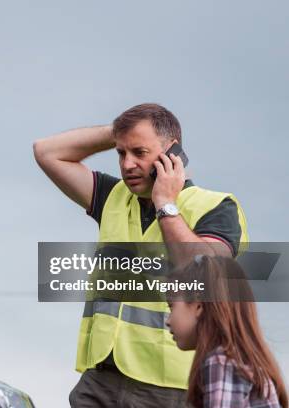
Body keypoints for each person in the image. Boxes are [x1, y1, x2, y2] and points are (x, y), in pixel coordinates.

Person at [33, 103, 249, 407]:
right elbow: (46, 151)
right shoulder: (114, 197)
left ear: (171, 154)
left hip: (169, 385)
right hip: (101, 377)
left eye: (139, 152)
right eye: (121, 153)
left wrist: (165, 204)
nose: (127, 164)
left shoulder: (217, 207)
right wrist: (117, 132)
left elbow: (203, 271)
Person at [165, 255, 287, 408]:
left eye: (171, 307)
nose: (168, 321)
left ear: (198, 306)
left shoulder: (221, 361)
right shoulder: (236, 359)